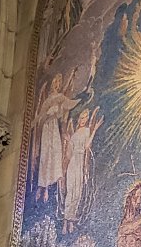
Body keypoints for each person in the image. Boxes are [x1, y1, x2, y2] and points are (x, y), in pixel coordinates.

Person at [34, 71, 80, 203]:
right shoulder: (48, 100)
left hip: (54, 127)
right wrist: (36, 121)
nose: (57, 84)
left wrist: (80, 98)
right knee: (45, 155)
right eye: (56, 82)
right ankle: (41, 186)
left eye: (59, 82)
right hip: (47, 128)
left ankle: (49, 187)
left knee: (55, 152)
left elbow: (69, 104)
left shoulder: (60, 97)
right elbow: (40, 116)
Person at [62, 106, 103, 234]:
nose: (83, 120)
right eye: (81, 117)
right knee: (70, 190)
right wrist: (69, 142)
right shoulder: (74, 134)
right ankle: (65, 222)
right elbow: (69, 154)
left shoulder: (86, 131)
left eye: (85, 118)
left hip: (79, 161)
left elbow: (86, 146)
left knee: (78, 191)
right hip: (73, 162)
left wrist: (94, 130)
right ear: (79, 119)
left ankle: (71, 219)